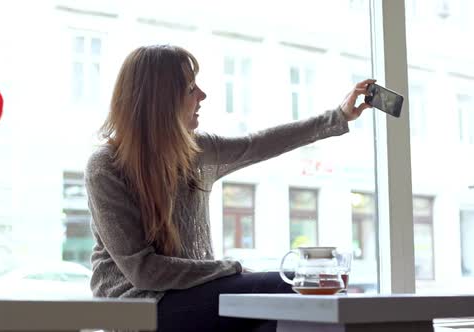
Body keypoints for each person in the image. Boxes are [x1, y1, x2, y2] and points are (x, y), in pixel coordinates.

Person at [85, 44, 374, 332]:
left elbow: (258, 144)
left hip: (194, 296)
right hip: (137, 309)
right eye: (190, 89)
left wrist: (338, 116)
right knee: (294, 288)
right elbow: (143, 271)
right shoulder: (106, 166)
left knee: (281, 319)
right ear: (161, 102)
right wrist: (230, 268)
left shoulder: (195, 152)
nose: (202, 96)